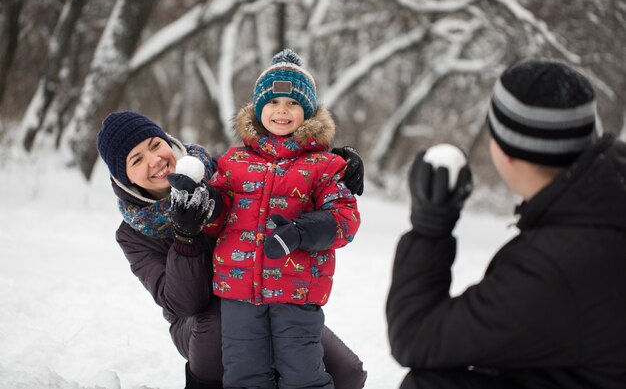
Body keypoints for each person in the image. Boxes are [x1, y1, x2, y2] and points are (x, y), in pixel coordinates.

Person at [386, 59, 626, 389]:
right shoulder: (605, 201)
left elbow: (416, 336)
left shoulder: (554, 265)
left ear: (505, 151)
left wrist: (429, 229)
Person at [96, 111, 367, 389]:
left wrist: (331, 165)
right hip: (198, 324)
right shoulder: (133, 234)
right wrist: (185, 238)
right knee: (222, 322)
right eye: (136, 160)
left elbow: (281, 171)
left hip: (267, 294)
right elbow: (186, 303)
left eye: (155, 145)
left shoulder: (220, 170)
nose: (155, 160)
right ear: (125, 178)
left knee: (347, 372)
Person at [200, 49, 360, 389]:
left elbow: (344, 219)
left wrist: (302, 232)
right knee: (244, 376)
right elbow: (217, 219)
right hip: (238, 291)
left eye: (293, 103)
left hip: (297, 292)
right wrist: (206, 206)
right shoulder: (233, 162)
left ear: (309, 113)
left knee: (304, 375)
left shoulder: (324, 165)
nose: (282, 111)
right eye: (273, 103)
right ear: (259, 110)